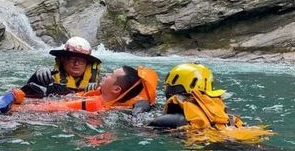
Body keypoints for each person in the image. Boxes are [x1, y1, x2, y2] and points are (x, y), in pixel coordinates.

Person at [148, 63, 273, 143]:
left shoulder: (171, 120)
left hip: (219, 150)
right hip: (241, 140)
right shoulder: (224, 115)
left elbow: (140, 131)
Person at [15, 65, 158, 113]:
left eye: (111, 75)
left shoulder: (93, 104)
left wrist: (15, 103)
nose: (106, 75)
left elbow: (44, 110)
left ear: (116, 89)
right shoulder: (98, 96)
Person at [25, 37, 101, 97]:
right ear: (62, 59)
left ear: (87, 63)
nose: (76, 63)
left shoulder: (100, 83)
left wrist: (98, 86)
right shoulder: (49, 78)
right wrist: (35, 78)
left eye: (81, 60)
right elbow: (25, 93)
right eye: (72, 58)